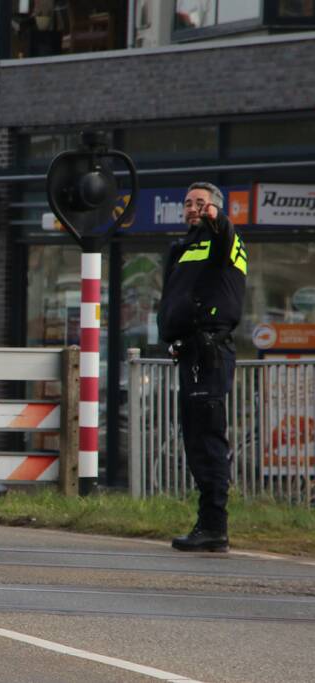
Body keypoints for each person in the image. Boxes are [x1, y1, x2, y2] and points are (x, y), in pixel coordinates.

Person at [158, 182, 247, 552]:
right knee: (195, 440)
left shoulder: (223, 239)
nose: (193, 208)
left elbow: (224, 231)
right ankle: (208, 523)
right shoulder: (184, 247)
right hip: (192, 354)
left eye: (201, 203)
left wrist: (217, 219)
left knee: (208, 440)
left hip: (209, 354)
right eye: (188, 203)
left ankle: (214, 525)